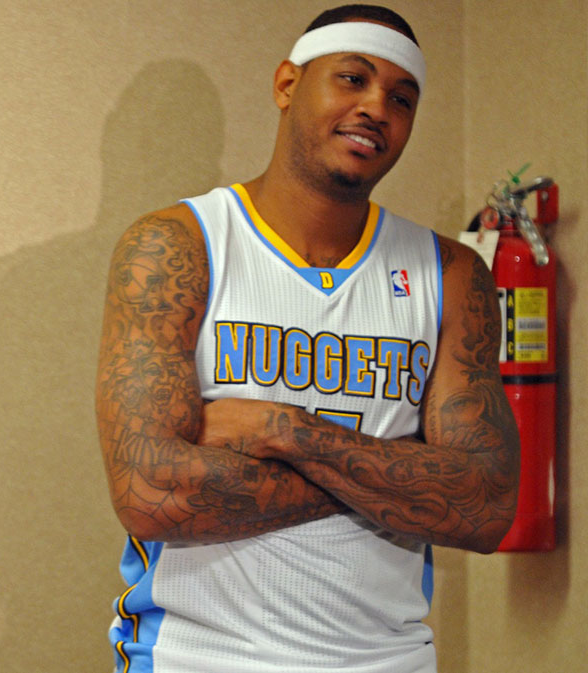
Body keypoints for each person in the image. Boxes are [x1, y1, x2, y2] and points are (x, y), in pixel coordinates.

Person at [95, 5, 519, 672]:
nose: (377, 106)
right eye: (353, 78)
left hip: (389, 660)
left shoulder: (452, 274)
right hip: (196, 658)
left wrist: (286, 430)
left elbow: (487, 507)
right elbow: (155, 492)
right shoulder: (179, 246)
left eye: (402, 97)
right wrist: (404, 469)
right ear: (287, 85)